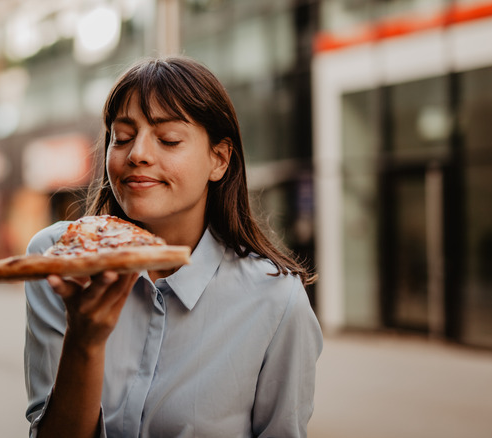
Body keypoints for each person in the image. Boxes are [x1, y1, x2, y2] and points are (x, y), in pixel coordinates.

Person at [24, 56, 322, 438]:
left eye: (168, 139)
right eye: (123, 136)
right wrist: (83, 341)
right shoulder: (60, 257)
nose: (138, 154)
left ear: (219, 159)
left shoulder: (277, 300)